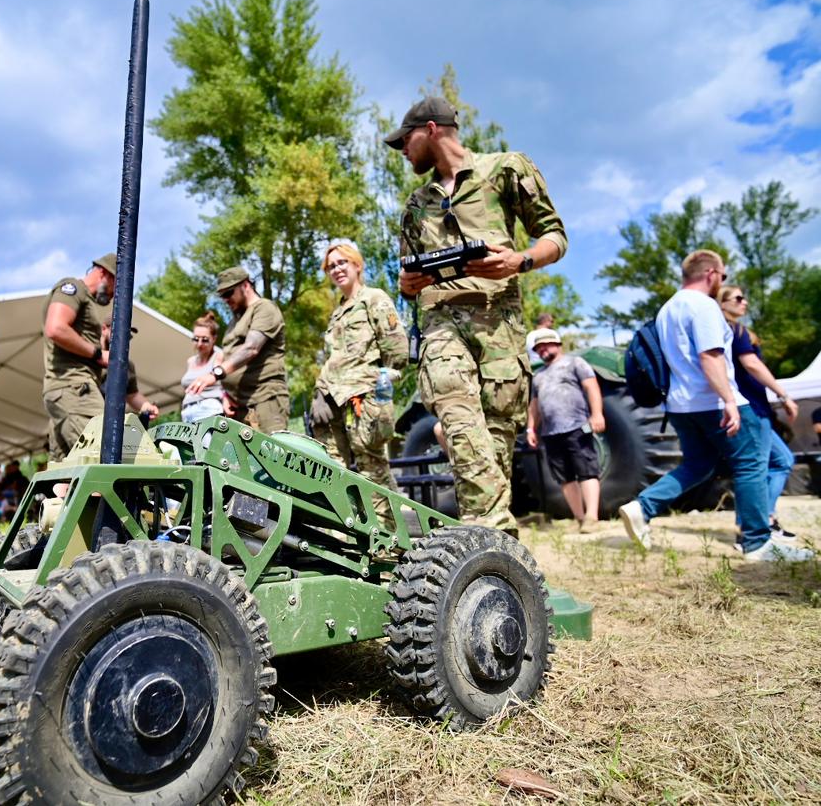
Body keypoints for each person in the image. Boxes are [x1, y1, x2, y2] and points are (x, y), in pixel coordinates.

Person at [386, 95, 567, 535]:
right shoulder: (416, 206)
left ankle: (493, 550)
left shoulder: (506, 169)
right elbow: (407, 275)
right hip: (441, 322)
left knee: (497, 438)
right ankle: (490, 531)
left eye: (405, 140)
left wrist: (519, 261)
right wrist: (408, 284)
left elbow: (555, 236)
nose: (402, 151)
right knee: (457, 416)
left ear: (430, 129)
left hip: (499, 324)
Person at [617, 250, 813, 561]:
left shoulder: (667, 309)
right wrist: (729, 400)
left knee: (698, 465)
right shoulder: (703, 306)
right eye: (723, 276)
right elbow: (711, 357)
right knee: (751, 464)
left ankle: (643, 506)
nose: (722, 281)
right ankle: (758, 543)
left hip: (680, 406)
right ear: (711, 274)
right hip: (712, 400)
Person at [309, 242, 408, 523]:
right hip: (336, 401)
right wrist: (320, 393)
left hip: (364, 398)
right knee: (333, 472)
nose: (337, 269)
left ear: (357, 265)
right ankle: (350, 544)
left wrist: (379, 387)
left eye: (342, 263)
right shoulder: (338, 312)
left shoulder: (374, 299)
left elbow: (397, 351)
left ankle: (389, 545)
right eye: (331, 266)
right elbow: (336, 359)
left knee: (372, 469)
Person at [719, 285, 800, 542]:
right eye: (738, 298)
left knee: (770, 463)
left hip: (748, 407)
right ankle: (759, 523)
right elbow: (752, 364)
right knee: (763, 466)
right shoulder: (735, 331)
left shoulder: (728, 332)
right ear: (722, 303)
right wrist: (784, 395)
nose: (745, 302)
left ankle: (757, 520)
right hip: (752, 407)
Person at [184, 267, 289, 433]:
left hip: (264, 399)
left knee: (269, 455)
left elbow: (251, 348)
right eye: (222, 296)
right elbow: (228, 358)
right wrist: (225, 394)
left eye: (229, 293)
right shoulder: (234, 321)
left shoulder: (264, 308)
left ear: (245, 285)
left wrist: (215, 375)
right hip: (239, 406)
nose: (225, 299)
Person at [525, 330, 605, 530]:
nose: (542, 349)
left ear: (558, 344)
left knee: (586, 471)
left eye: (546, 345)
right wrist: (530, 429)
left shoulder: (575, 363)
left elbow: (592, 387)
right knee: (565, 478)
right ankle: (579, 518)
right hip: (550, 433)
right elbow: (534, 405)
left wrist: (597, 414)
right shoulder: (538, 376)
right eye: (538, 348)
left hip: (577, 427)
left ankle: (591, 517)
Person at [41, 253, 116, 461]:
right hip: (74, 389)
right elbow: (55, 328)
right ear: (104, 273)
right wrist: (98, 354)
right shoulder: (73, 288)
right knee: (104, 457)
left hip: (67, 392)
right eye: (116, 286)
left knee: (63, 474)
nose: (112, 296)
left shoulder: (84, 298)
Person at [100, 318, 160, 421]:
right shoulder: (87, 352)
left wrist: (147, 407)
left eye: (128, 336)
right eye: (120, 332)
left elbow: (132, 395)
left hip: (109, 420)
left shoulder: (126, 365)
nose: (124, 338)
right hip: (83, 411)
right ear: (104, 329)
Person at [180, 311, 227, 423]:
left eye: (205, 340)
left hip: (208, 408)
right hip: (187, 410)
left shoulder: (218, 357)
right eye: (196, 339)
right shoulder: (190, 361)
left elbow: (225, 383)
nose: (199, 344)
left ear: (214, 339)